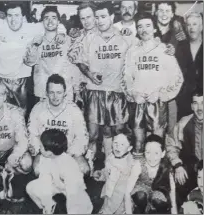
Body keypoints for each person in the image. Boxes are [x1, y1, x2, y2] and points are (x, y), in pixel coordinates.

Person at [72, 2, 131, 169]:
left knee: (113, 132)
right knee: (92, 133)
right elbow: (81, 62)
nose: (99, 21)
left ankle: (109, 166)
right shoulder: (88, 38)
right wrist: (90, 73)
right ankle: (88, 165)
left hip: (116, 92)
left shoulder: (124, 38)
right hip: (94, 91)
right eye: (96, 17)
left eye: (103, 17)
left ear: (112, 17)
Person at [122, 12, 183, 157]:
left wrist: (161, 94)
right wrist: (132, 93)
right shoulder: (132, 51)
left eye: (148, 26)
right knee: (138, 142)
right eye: (140, 26)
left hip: (157, 104)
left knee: (156, 144)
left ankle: (157, 177)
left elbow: (178, 78)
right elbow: (126, 77)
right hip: (138, 103)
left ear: (155, 28)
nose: (144, 30)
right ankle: (138, 176)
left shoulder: (164, 50)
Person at [0, 2, 67, 110]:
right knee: (1, 111)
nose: (13, 20)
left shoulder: (31, 28)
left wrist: (61, 32)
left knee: (21, 113)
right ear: (6, 17)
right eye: (10, 16)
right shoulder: (1, 25)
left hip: (22, 79)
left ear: (23, 17)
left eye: (16, 15)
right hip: (1, 78)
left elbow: (55, 24)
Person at [29, 74, 90, 175]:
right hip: (46, 153)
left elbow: (82, 136)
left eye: (59, 92)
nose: (55, 96)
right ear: (46, 93)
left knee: (84, 169)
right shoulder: (38, 108)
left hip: (68, 152)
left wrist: (70, 153)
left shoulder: (73, 110)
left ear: (65, 93)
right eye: (51, 92)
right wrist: (42, 151)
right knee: (38, 170)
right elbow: (32, 134)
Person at [26, 129, 93, 214]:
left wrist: (72, 209)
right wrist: (47, 202)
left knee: (78, 206)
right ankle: (51, 206)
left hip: (73, 188)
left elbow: (73, 188)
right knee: (31, 187)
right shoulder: (45, 158)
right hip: (56, 185)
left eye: (41, 146)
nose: (39, 147)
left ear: (49, 152)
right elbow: (44, 178)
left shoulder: (67, 163)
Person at [24, 6, 81, 104]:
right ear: (42, 22)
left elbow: (74, 66)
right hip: (43, 93)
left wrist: (77, 89)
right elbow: (29, 62)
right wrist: (34, 46)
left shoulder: (67, 40)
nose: (50, 21)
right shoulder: (36, 41)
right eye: (46, 18)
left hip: (65, 92)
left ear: (59, 21)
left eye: (53, 18)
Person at [166, 88, 203, 208]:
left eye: (203, 103)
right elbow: (171, 144)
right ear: (192, 106)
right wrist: (177, 165)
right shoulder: (183, 122)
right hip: (191, 169)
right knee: (180, 183)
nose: (200, 108)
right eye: (196, 103)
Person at [154, 1, 188, 135]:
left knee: (171, 127)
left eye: (167, 11)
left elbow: (185, 60)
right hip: (152, 88)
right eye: (161, 10)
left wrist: (176, 52)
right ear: (155, 12)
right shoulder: (148, 30)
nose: (164, 14)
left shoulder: (179, 34)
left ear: (172, 13)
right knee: (154, 126)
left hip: (170, 90)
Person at [124, 135, 176, 214]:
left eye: (156, 153)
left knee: (159, 201)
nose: (151, 157)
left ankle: (156, 211)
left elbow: (172, 192)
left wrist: (174, 212)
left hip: (158, 191)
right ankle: (141, 210)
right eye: (148, 152)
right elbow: (127, 192)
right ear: (144, 152)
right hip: (142, 190)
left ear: (163, 153)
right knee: (140, 196)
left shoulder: (167, 167)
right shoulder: (139, 165)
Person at [92, 128, 135, 214]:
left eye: (122, 144)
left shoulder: (129, 164)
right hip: (109, 195)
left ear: (129, 148)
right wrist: (102, 174)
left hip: (122, 201)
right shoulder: (111, 157)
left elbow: (122, 190)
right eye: (115, 143)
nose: (117, 146)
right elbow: (108, 172)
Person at [175, 12, 203, 120]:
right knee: (184, 130)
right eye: (188, 25)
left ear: (201, 26)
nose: (191, 28)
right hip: (184, 100)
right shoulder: (180, 46)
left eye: (195, 24)